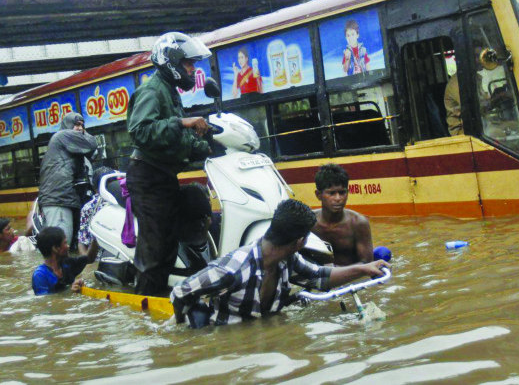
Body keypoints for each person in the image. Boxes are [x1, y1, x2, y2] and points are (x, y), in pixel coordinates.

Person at [170, 199, 389, 327]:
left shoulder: (288, 259)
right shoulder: (233, 269)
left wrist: (363, 269)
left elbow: (318, 277)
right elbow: (180, 293)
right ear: (300, 241)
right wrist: (186, 325)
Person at [127, 32, 213, 296]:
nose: (193, 69)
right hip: (148, 177)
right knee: (154, 252)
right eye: (188, 63)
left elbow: (177, 140)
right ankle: (145, 308)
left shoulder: (169, 91)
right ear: (171, 61)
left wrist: (207, 146)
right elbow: (140, 131)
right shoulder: (152, 90)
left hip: (163, 177)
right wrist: (182, 122)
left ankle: (166, 300)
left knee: (169, 245)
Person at [36, 111, 101, 247]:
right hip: (58, 198)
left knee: (71, 246)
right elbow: (92, 143)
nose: (80, 128)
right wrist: (84, 133)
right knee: (60, 246)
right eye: (76, 124)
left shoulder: (72, 146)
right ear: (67, 125)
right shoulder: (62, 135)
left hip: (69, 198)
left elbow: (92, 153)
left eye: (82, 125)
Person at [311, 164, 373, 266]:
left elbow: (367, 264)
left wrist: (333, 270)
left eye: (342, 193)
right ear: (318, 195)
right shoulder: (309, 222)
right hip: (319, 274)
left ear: (347, 193)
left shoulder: (358, 223)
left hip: (349, 275)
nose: (338, 198)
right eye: (331, 193)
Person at [32, 226, 99, 295]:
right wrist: (70, 291)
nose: (68, 246)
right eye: (65, 243)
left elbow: (89, 259)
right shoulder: (40, 275)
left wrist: (96, 238)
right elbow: (46, 300)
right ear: (55, 248)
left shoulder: (67, 264)